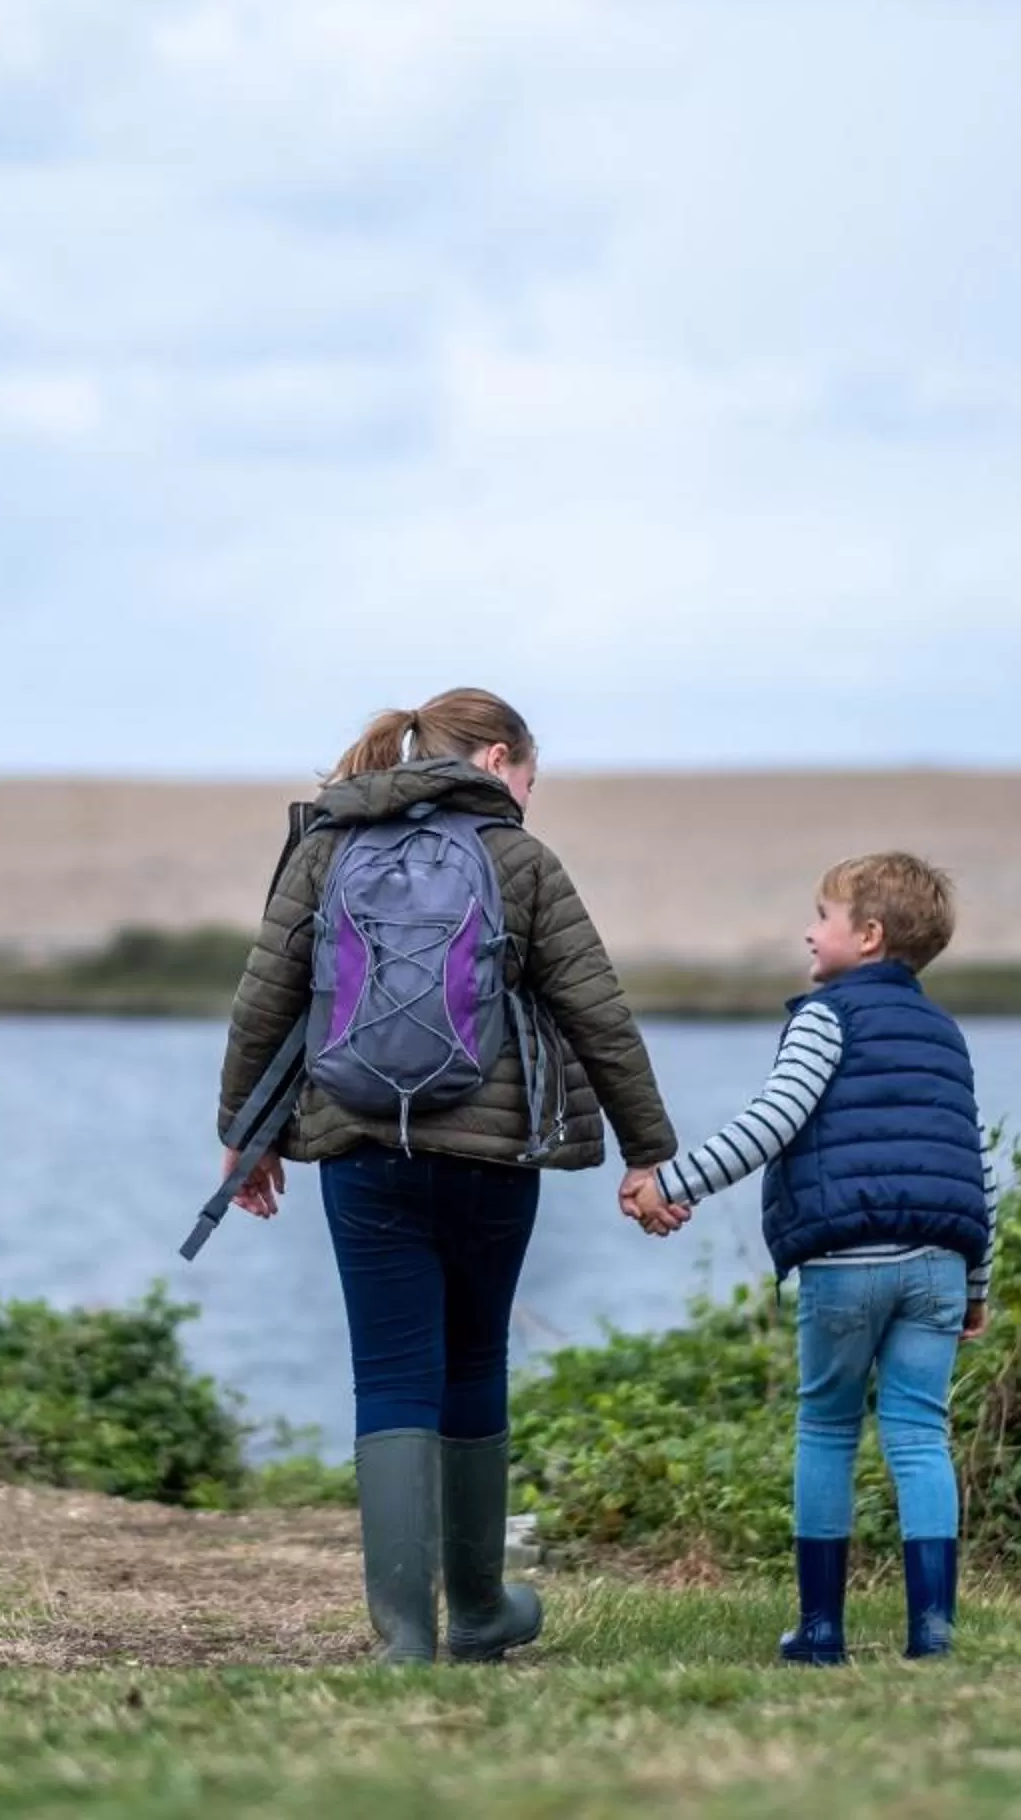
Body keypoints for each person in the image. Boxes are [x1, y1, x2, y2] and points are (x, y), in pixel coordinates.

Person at [215, 687, 683, 1664]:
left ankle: (402, 1636)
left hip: (356, 1146)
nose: (527, 797)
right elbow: (600, 1012)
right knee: (473, 1361)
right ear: (500, 758)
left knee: (389, 1376)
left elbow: (265, 995)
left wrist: (242, 1133)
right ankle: (476, 1609)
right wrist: (648, 1147)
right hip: (491, 1155)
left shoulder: (328, 844)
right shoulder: (519, 858)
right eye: (528, 779)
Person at [622, 851, 1000, 1663]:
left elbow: (774, 1120)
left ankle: (822, 1630)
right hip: (939, 1261)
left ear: (866, 937)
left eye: (820, 917)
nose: (807, 929)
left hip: (847, 1262)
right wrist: (977, 1283)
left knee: (828, 1427)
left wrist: (671, 1183)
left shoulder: (826, 1017)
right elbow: (973, 1162)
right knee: (920, 1435)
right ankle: (932, 1631)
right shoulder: (946, 1032)